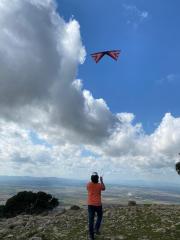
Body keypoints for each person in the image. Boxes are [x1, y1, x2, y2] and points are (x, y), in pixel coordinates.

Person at [87, 172, 106, 240]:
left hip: (90, 204)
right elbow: (104, 188)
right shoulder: (99, 185)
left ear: (91, 178)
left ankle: (91, 236)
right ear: (97, 178)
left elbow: (88, 189)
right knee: (100, 216)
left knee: (91, 220)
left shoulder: (88, 184)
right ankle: (96, 229)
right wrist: (101, 180)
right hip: (98, 204)